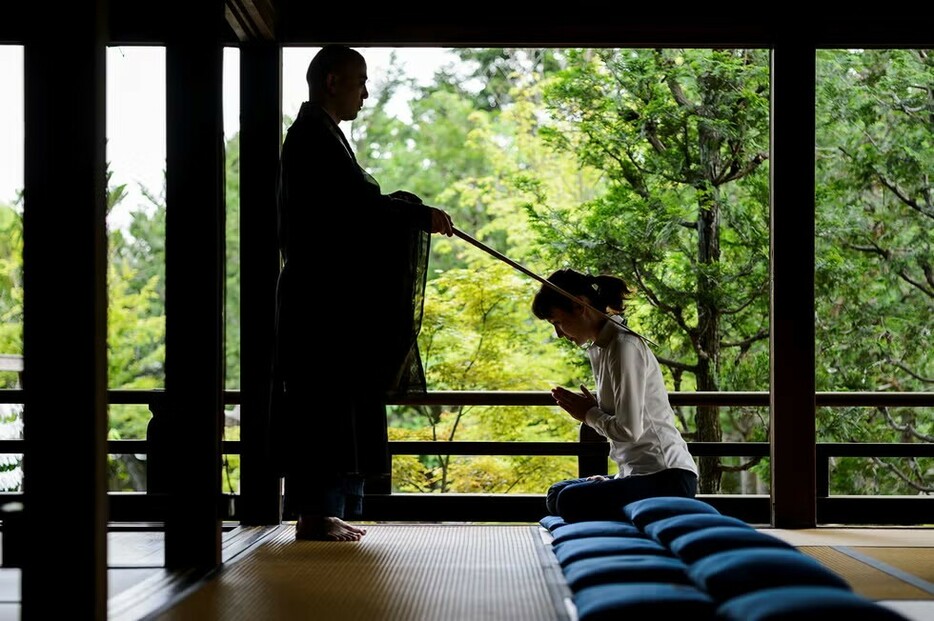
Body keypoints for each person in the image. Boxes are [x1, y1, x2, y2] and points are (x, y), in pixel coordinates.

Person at [270, 44, 454, 542]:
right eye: (360, 81)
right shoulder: (310, 138)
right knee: (320, 405)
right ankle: (314, 514)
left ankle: (323, 511)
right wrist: (416, 214)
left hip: (326, 303)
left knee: (335, 403)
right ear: (332, 81)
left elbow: (357, 207)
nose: (366, 93)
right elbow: (353, 209)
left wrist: (402, 207)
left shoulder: (322, 137)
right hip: (317, 305)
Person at [531, 268, 698, 522]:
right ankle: (622, 497)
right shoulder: (601, 348)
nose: (559, 333)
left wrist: (588, 414)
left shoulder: (623, 346)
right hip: (636, 474)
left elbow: (629, 430)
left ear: (580, 306)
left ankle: (630, 507)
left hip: (668, 477)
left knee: (568, 500)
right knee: (557, 493)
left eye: (557, 322)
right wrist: (594, 410)